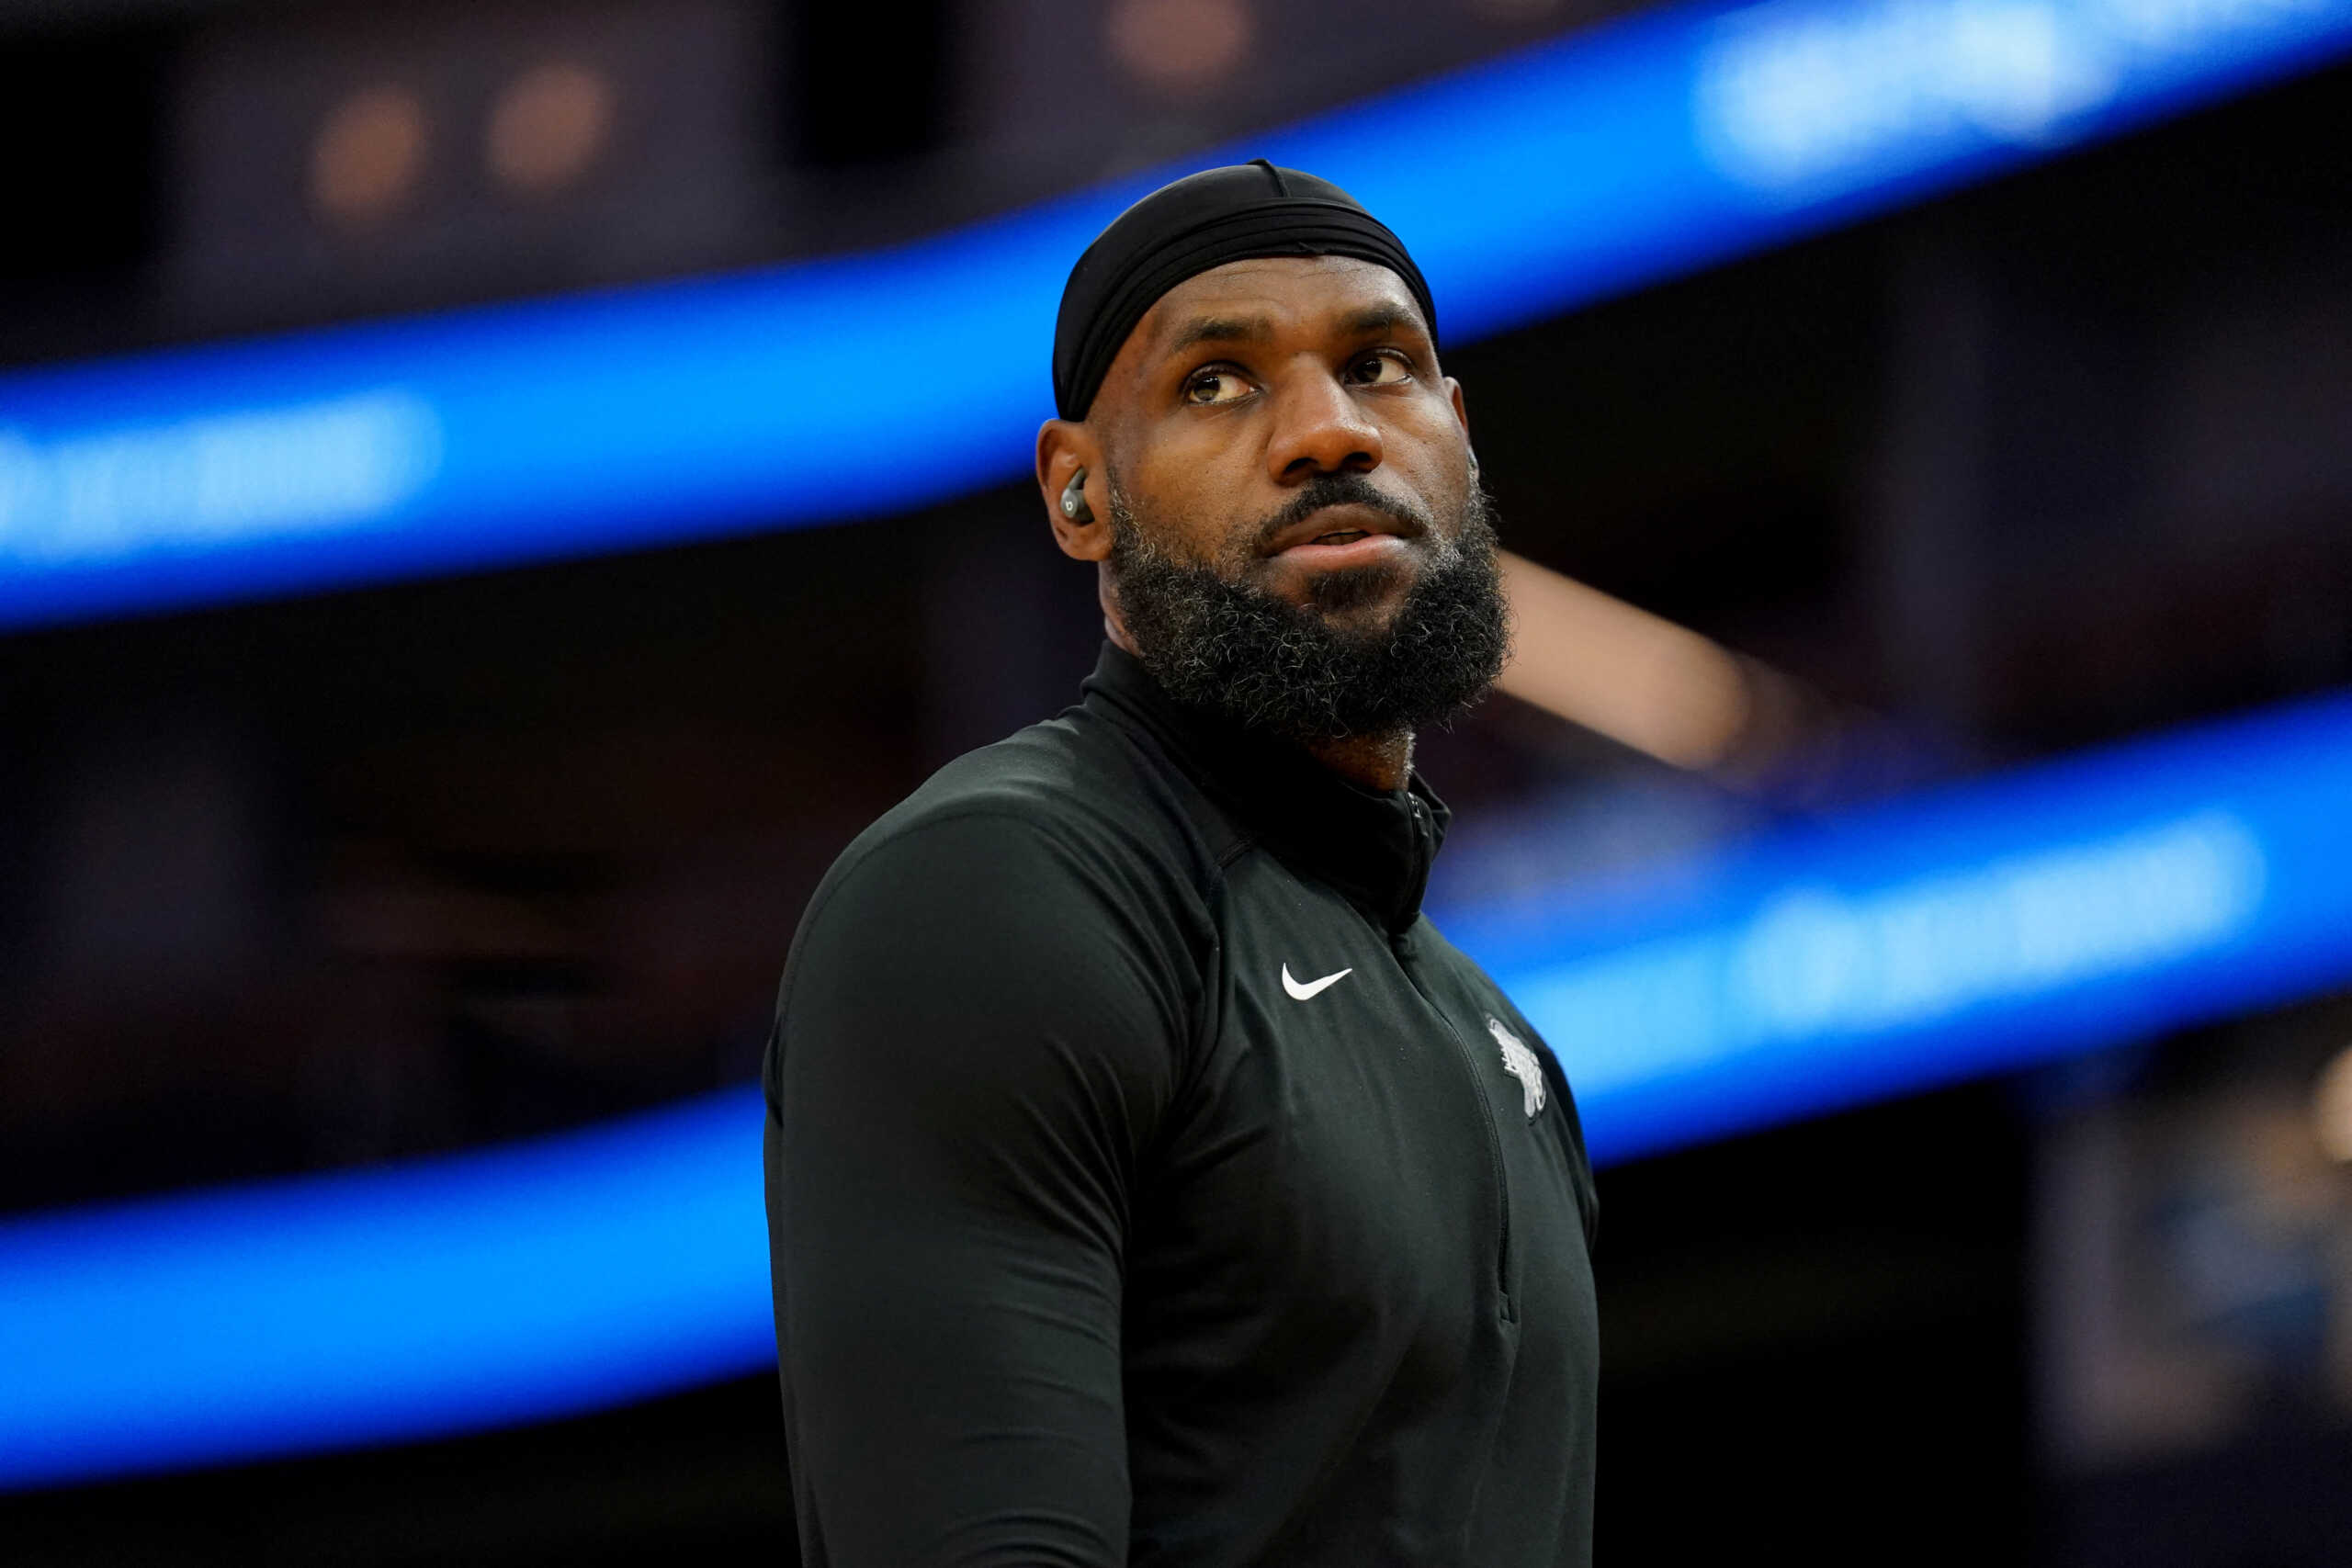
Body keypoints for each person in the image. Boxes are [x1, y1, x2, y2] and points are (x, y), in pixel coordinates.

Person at [763, 160, 1599, 1567]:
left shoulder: (1494, 1034)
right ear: (1079, 494)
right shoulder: (1000, 887)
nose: (1328, 432)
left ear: (1456, 435)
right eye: (1217, 383)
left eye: (1380, 365)